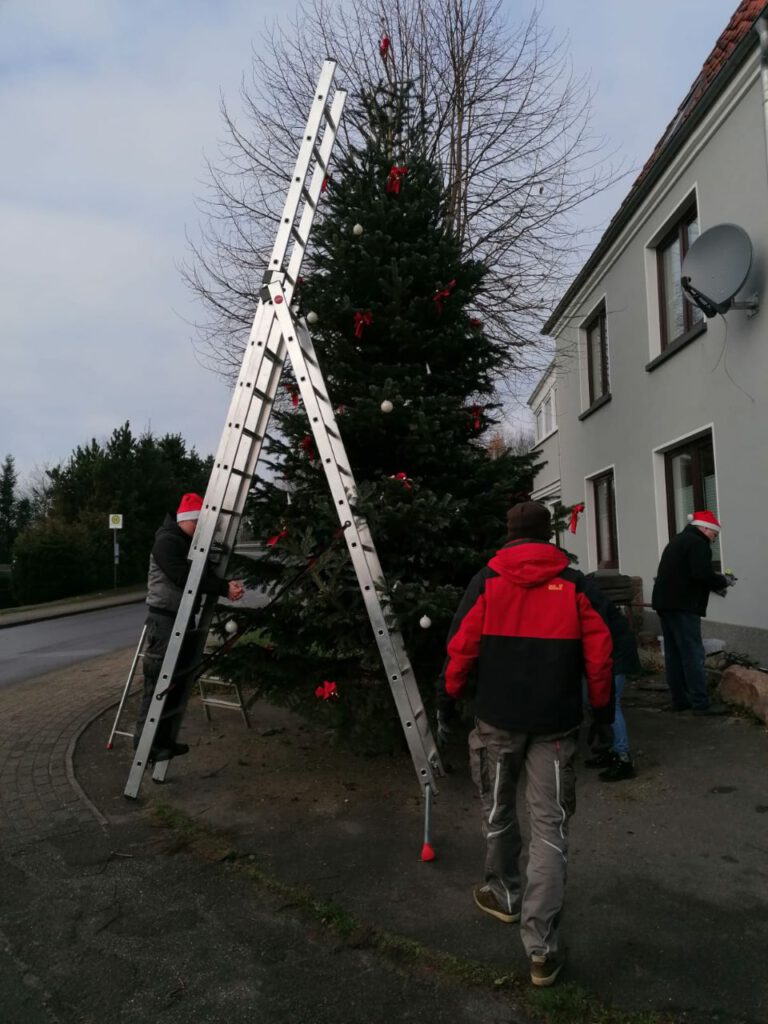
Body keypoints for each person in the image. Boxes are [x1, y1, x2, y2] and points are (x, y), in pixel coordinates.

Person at [437, 500, 614, 988]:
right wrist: (602, 714)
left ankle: (504, 894)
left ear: (510, 535)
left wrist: (447, 698)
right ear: (548, 534)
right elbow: (601, 658)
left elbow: (461, 647)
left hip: (496, 723)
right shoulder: (577, 585)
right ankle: (542, 950)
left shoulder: (487, 580)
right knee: (551, 827)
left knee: (497, 810)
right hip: (555, 727)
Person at [135, 493, 245, 761]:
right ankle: (145, 748)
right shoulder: (167, 542)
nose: (200, 530)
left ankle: (164, 741)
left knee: (176, 684)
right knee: (157, 683)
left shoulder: (187, 542)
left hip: (183, 618)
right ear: (186, 520)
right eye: (198, 524)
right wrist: (222, 588)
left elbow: (202, 576)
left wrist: (226, 585)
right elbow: (185, 578)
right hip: (165, 620)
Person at [651, 510, 729, 716]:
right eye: (714, 534)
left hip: (665, 604)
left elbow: (688, 572)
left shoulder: (678, 540)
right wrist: (722, 581)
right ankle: (701, 704)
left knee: (674, 654)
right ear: (704, 528)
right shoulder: (698, 544)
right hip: (683, 606)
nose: (714, 539)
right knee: (692, 654)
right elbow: (701, 574)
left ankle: (680, 700)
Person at [582, 577, 642, 782]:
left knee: (610, 704)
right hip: (609, 653)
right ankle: (610, 749)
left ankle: (624, 758)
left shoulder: (586, 598)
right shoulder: (583, 591)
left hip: (614, 655)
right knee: (594, 703)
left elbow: (597, 636)